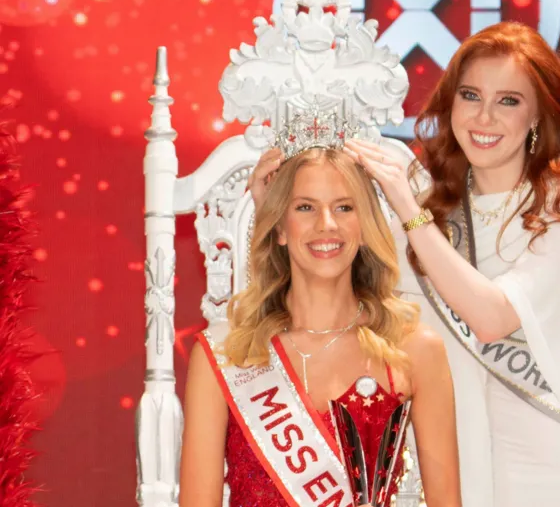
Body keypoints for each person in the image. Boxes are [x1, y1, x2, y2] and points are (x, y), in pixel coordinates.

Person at [253, 22, 560, 506]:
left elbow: (492, 318)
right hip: (465, 468)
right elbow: (336, 300)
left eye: (508, 101)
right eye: (470, 96)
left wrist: (407, 208)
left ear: (538, 115)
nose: (484, 117)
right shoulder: (429, 209)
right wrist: (274, 216)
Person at [180, 144, 461, 507]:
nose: (326, 223)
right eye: (305, 207)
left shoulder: (415, 348)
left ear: (365, 227)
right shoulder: (226, 354)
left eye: (344, 207)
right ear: (280, 228)